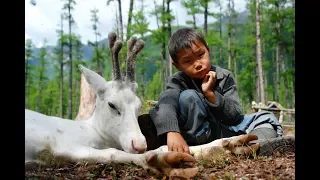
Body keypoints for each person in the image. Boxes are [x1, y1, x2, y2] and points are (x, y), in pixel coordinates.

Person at [138, 27, 294, 156]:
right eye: (188, 61)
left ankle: (258, 145)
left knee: (265, 116)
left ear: (208, 50)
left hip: (225, 131)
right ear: (177, 65)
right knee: (188, 97)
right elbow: (166, 104)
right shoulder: (177, 81)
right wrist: (172, 131)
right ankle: (194, 146)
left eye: (201, 55)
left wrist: (211, 95)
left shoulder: (224, 76)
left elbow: (234, 116)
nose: (198, 64)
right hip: (194, 135)